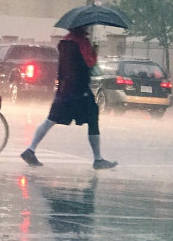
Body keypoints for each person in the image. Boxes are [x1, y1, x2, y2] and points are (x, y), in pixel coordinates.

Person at [20, 25, 118, 170]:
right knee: (92, 119)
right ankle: (98, 159)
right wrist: (94, 51)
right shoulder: (82, 43)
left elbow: (63, 67)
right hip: (80, 91)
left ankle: (31, 149)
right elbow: (89, 64)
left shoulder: (64, 42)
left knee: (51, 119)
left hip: (65, 89)